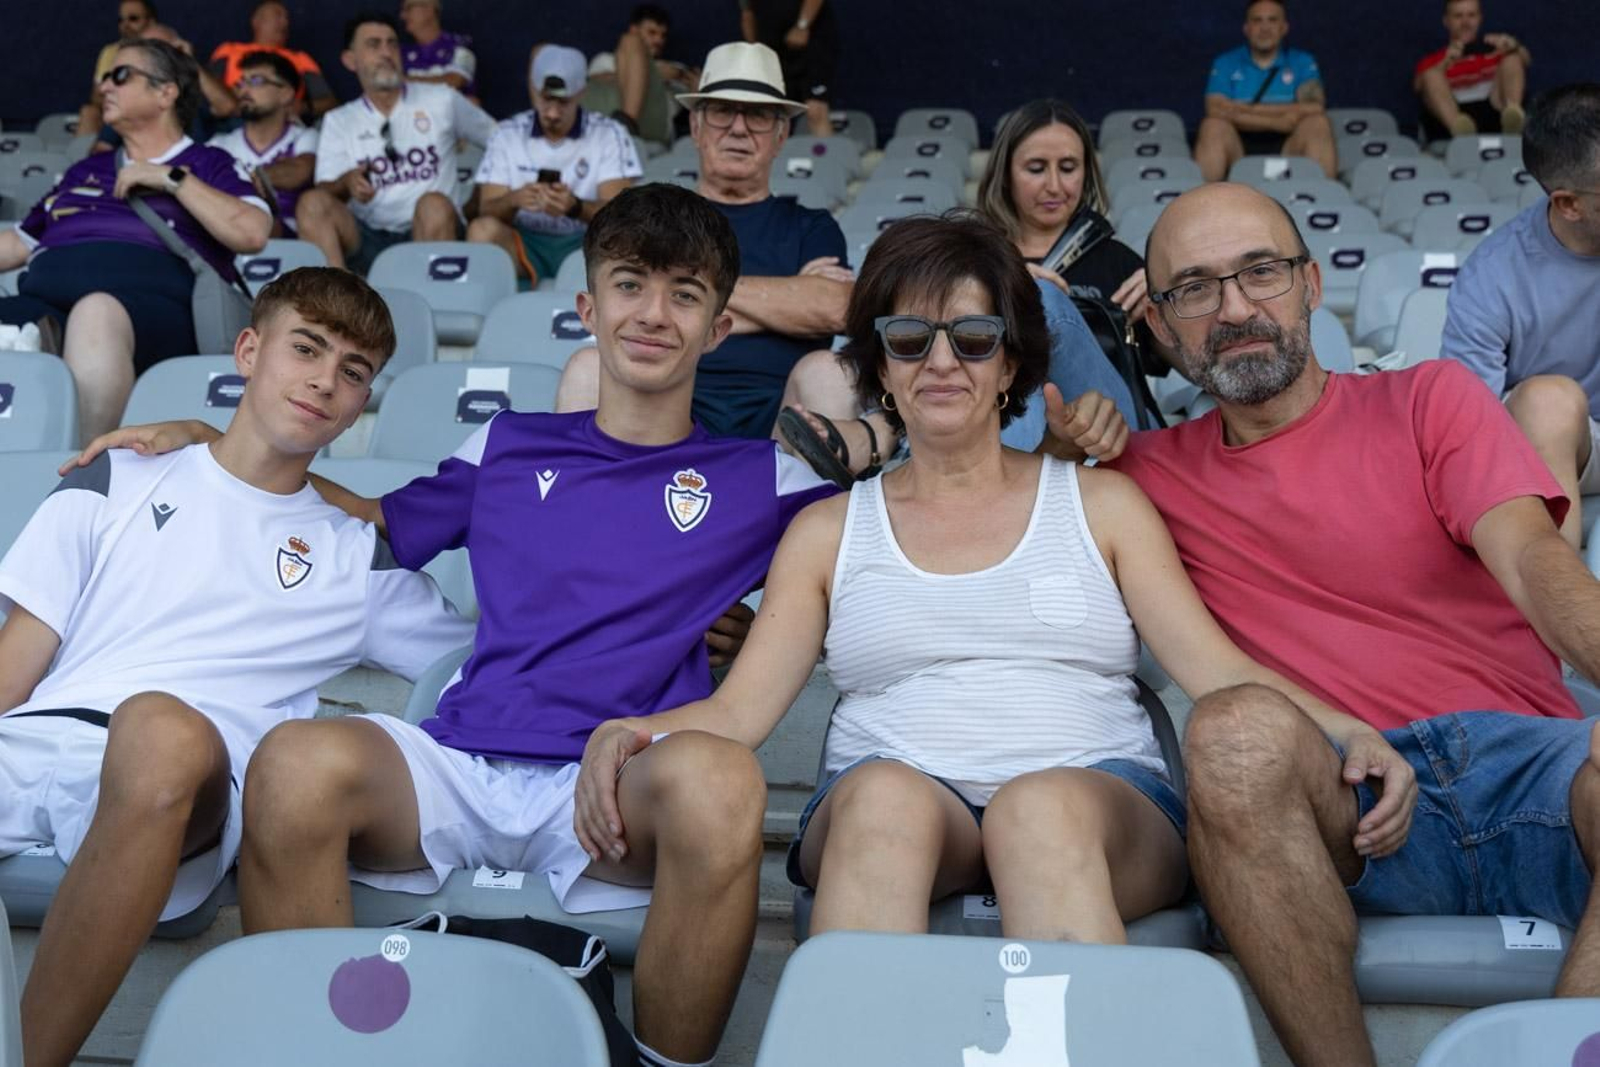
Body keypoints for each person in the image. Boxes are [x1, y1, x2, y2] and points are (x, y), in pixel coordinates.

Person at [573, 213, 1379, 948]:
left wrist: (1347, 729)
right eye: (909, 337)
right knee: (882, 801)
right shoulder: (827, 531)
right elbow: (738, 711)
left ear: (1012, 363)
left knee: (1039, 812)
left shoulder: (1103, 503)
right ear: (880, 368)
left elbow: (1218, 671)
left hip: (1103, 798)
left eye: (974, 336)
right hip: (893, 790)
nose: (942, 361)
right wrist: (637, 729)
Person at [1113, 181, 1600, 1067]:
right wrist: (1074, 425)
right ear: (1159, 327)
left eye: (1259, 271)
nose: (1234, 308)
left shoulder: (1428, 399)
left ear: (1307, 284)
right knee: (1227, 734)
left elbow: (1534, 557)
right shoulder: (1136, 476)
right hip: (1344, 795)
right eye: (1194, 288)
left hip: (1530, 766)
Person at [0, 268, 475, 1067]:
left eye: (354, 372)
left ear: (365, 402)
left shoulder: (356, 554)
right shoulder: (119, 471)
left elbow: (488, 665)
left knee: (162, 729)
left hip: (181, 787)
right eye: (307, 348)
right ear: (249, 350)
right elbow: (14, 667)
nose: (326, 380)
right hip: (36, 746)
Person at [0, 38, 271, 442]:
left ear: (166, 92)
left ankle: (86, 477)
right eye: (104, 77)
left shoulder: (209, 162)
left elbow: (252, 232)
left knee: (96, 313)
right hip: (45, 299)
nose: (105, 86)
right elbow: (17, 244)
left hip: (153, 310)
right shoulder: (85, 169)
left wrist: (171, 180)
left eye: (121, 75)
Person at [1443, 83, 1600, 550]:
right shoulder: (1493, 276)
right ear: (1569, 204)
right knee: (1547, 402)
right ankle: (1560, 608)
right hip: (1563, 452)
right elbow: (1472, 428)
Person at [978, 98, 1180, 377]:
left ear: (1086, 173)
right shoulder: (977, 263)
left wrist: (1168, 296)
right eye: (1036, 169)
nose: (1054, 186)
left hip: (1110, 413)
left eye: (1068, 167)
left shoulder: (1117, 261)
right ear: (1005, 175)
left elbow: (1191, 366)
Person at [295, 12, 495, 273]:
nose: (386, 52)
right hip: (369, 236)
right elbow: (325, 190)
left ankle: (436, 303)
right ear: (350, 60)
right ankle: (338, 306)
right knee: (311, 204)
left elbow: (500, 141)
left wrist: (476, 202)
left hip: (431, 230)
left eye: (392, 43)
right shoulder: (339, 120)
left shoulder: (442, 99)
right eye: (373, 44)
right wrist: (347, 182)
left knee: (433, 204)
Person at [466, 45, 641, 286]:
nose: (552, 113)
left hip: (585, 242)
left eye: (563, 102)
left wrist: (575, 207)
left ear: (581, 93)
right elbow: (487, 209)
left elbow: (622, 217)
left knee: (624, 238)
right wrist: (515, 200)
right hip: (525, 241)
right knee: (481, 231)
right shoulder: (507, 133)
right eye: (545, 100)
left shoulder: (609, 133)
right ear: (534, 90)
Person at [1194, 0, 1336, 182]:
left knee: (1318, 123)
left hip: (1288, 146)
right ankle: (1203, 204)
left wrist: (1240, 109)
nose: (1265, 28)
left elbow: (1314, 107)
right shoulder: (1225, 62)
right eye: (1257, 20)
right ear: (1246, 28)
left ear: (1284, 28)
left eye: (1272, 20)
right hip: (1238, 147)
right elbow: (1215, 109)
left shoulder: (1302, 61)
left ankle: (1323, 201)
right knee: (1212, 126)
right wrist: (1279, 121)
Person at [207, 50, 319, 237]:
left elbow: (300, 172)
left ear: (286, 94)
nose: (244, 90)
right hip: (229, 240)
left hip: (293, 246)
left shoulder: (306, 137)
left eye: (256, 81)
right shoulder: (220, 144)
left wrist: (240, 177)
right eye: (241, 82)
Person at [583, 4, 698, 147]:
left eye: (663, 35)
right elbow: (593, 85)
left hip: (653, 125)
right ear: (634, 29)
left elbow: (692, 101)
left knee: (630, 42)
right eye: (652, 33)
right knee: (630, 42)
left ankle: (626, 127)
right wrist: (652, 74)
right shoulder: (605, 59)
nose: (658, 41)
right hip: (605, 117)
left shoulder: (674, 68)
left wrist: (696, 87)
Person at [1415, 0, 1530, 139]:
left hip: (1495, 110)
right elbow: (1418, 86)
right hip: (1453, 115)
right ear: (1446, 21)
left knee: (1512, 58)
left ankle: (1514, 116)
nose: (1465, 22)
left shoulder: (1496, 50)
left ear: (1480, 18)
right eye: (1458, 16)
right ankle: (1461, 130)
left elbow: (1526, 60)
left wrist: (1513, 45)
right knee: (1431, 75)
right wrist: (1445, 63)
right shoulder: (1434, 61)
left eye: (1471, 15)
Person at [209, 0, 336, 119]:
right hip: (233, 119)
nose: (285, 22)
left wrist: (303, 107)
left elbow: (330, 102)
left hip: (283, 122)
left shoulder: (300, 59)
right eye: (278, 15)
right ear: (256, 21)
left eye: (287, 18)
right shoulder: (229, 50)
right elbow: (209, 90)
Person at [740, 0, 836, 138]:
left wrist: (802, 25)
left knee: (815, 110)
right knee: (772, 113)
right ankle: (776, 158)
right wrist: (753, 49)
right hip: (771, 49)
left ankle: (829, 158)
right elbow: (747, 12)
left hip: (810, 44)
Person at [80, 0, 158, 138]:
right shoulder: (110, 52)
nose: (125, 25)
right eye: (121, 20)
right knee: (89, 112)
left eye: (133, 19)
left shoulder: (162, 53)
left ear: (151, 21)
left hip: (149, 112)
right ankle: (84, 159)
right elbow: (96, 96)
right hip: (113, 110)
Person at [400, 0, 477, 97]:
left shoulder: (460, 44)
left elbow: (454, 81)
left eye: (408, 8)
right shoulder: (401, 52)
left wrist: (404, 80)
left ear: (430, 9)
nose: (402, 16)